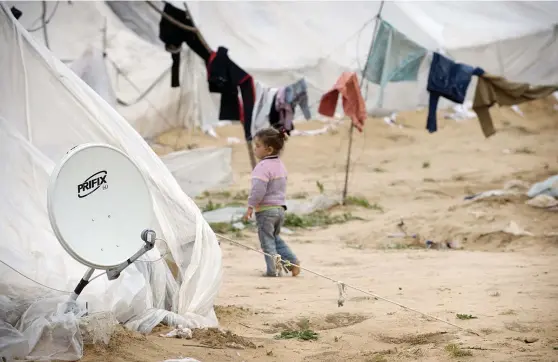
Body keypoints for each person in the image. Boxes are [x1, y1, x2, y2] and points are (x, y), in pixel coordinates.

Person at [243, 128, 300, 277]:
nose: (255, 149)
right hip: (280, 209)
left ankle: (273, 270)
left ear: (268, 150)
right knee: (275, 238)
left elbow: (258, 190)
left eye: (258, 146)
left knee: (267, 242)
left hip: (266, 211)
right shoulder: (280, 165)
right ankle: (292, 261)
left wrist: (251, 205)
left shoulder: (262, 167)